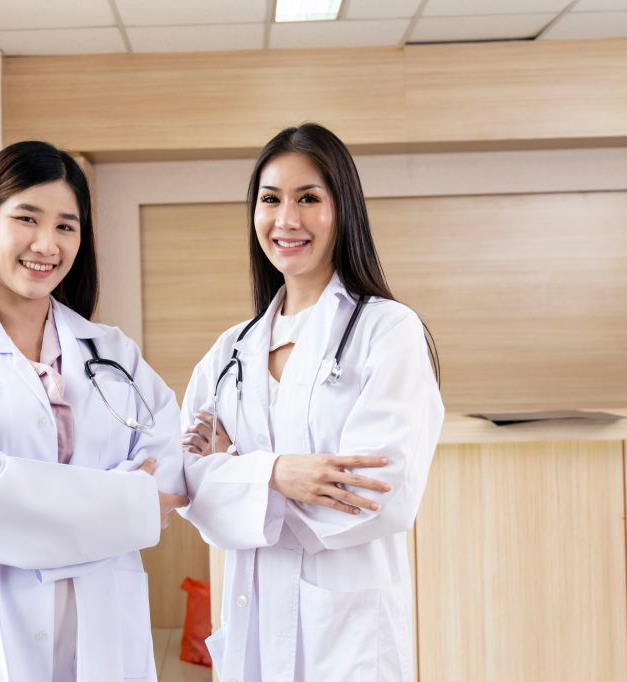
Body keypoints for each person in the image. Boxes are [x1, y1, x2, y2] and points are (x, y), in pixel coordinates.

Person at [0, 140, 187, 682]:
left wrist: (13, 525)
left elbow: (169, 474)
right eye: (26, 218)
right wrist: (124, 507)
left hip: (104, 622)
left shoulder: (112, 351)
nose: (46, 244)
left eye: (65, 226)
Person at [179, 123, 443, 682]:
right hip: (253, 613)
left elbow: (379, 492)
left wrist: (237, 476)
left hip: (346, 631)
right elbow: (186, 483)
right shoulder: (232, 350)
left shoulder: (387, 331)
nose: (286, 219)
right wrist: (279, 474)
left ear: (342, 210)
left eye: (308, 199)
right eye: (270, 199)